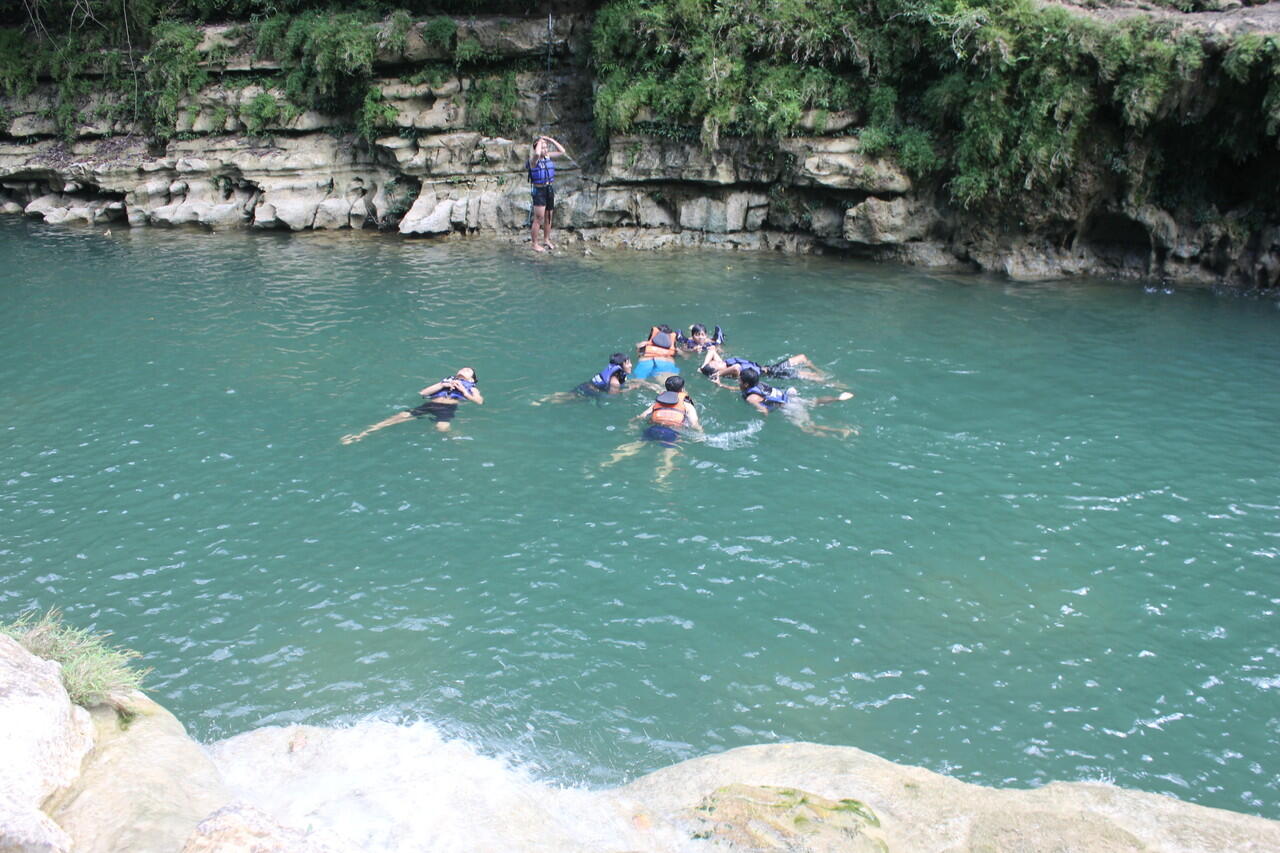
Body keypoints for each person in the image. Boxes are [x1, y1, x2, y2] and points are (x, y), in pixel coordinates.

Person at [603, 377, 703, 484]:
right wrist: (701, 435)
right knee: (667, 459)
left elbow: (642, 416)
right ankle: (661, 479)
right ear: (682, 389)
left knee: (634, 446)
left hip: (653, 429)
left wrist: (632, 423)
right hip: (671, 433)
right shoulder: (686, 405)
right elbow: (694, 424)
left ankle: (608, 461)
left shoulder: (657, 403)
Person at [341, 368, 483, 442]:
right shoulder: (446, 383)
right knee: (397, 417)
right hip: (430, 404)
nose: (463, 370)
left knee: (442, 429)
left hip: (447, 408)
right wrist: (442, 384)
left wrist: (463, 390)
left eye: (467, 370)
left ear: (472, 378)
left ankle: (458, 440)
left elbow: (478, 401)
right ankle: (363, 434)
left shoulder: (472, 388)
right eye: (462, 369)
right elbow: (423, 393)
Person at [736, 367, 855, 438]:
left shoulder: (751, 398)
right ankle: (837, 398)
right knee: (813, 401)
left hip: (789, 407)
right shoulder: (759, 384)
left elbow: (764, 410)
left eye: (739, 379)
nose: (738, 379)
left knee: (807, 427)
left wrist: (764, 423)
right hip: (791, 397)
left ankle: (841, 431)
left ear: (746, 384)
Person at [533, 353, 648, 404]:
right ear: (621, 366)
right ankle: (544, 402)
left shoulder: (616, 373)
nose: (631, 365)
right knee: (567, 400)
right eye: (628, 363)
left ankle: (545, 398)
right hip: (589, 391)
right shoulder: (615, 381)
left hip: (587, 386)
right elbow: (613, 396)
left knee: (568, 395)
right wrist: (631, 389)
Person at [700, 348, 828, 384]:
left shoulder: (724, 364)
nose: (717, 361)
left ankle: (818, 371)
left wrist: (703, 366)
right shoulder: (730, 372)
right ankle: (826, 380)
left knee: (802, 357)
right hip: (772, 374)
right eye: (715, 364)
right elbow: (736, 367)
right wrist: (718, 374)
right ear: (718, 371)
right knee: (811, 376)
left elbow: (712, 350)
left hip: (769, 368)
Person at [528, 135, 567, 253]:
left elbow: (562, 151)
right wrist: (539, 141)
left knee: (549, 216)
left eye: (546, 147)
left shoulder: (548, 157)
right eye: (543, 147)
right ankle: (534, 244)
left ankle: (546, 239)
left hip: (549, 189)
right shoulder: (533, 160)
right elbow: (536, 154)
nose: (545, 150)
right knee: (539, 217)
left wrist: (550, 140)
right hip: (539, 191)